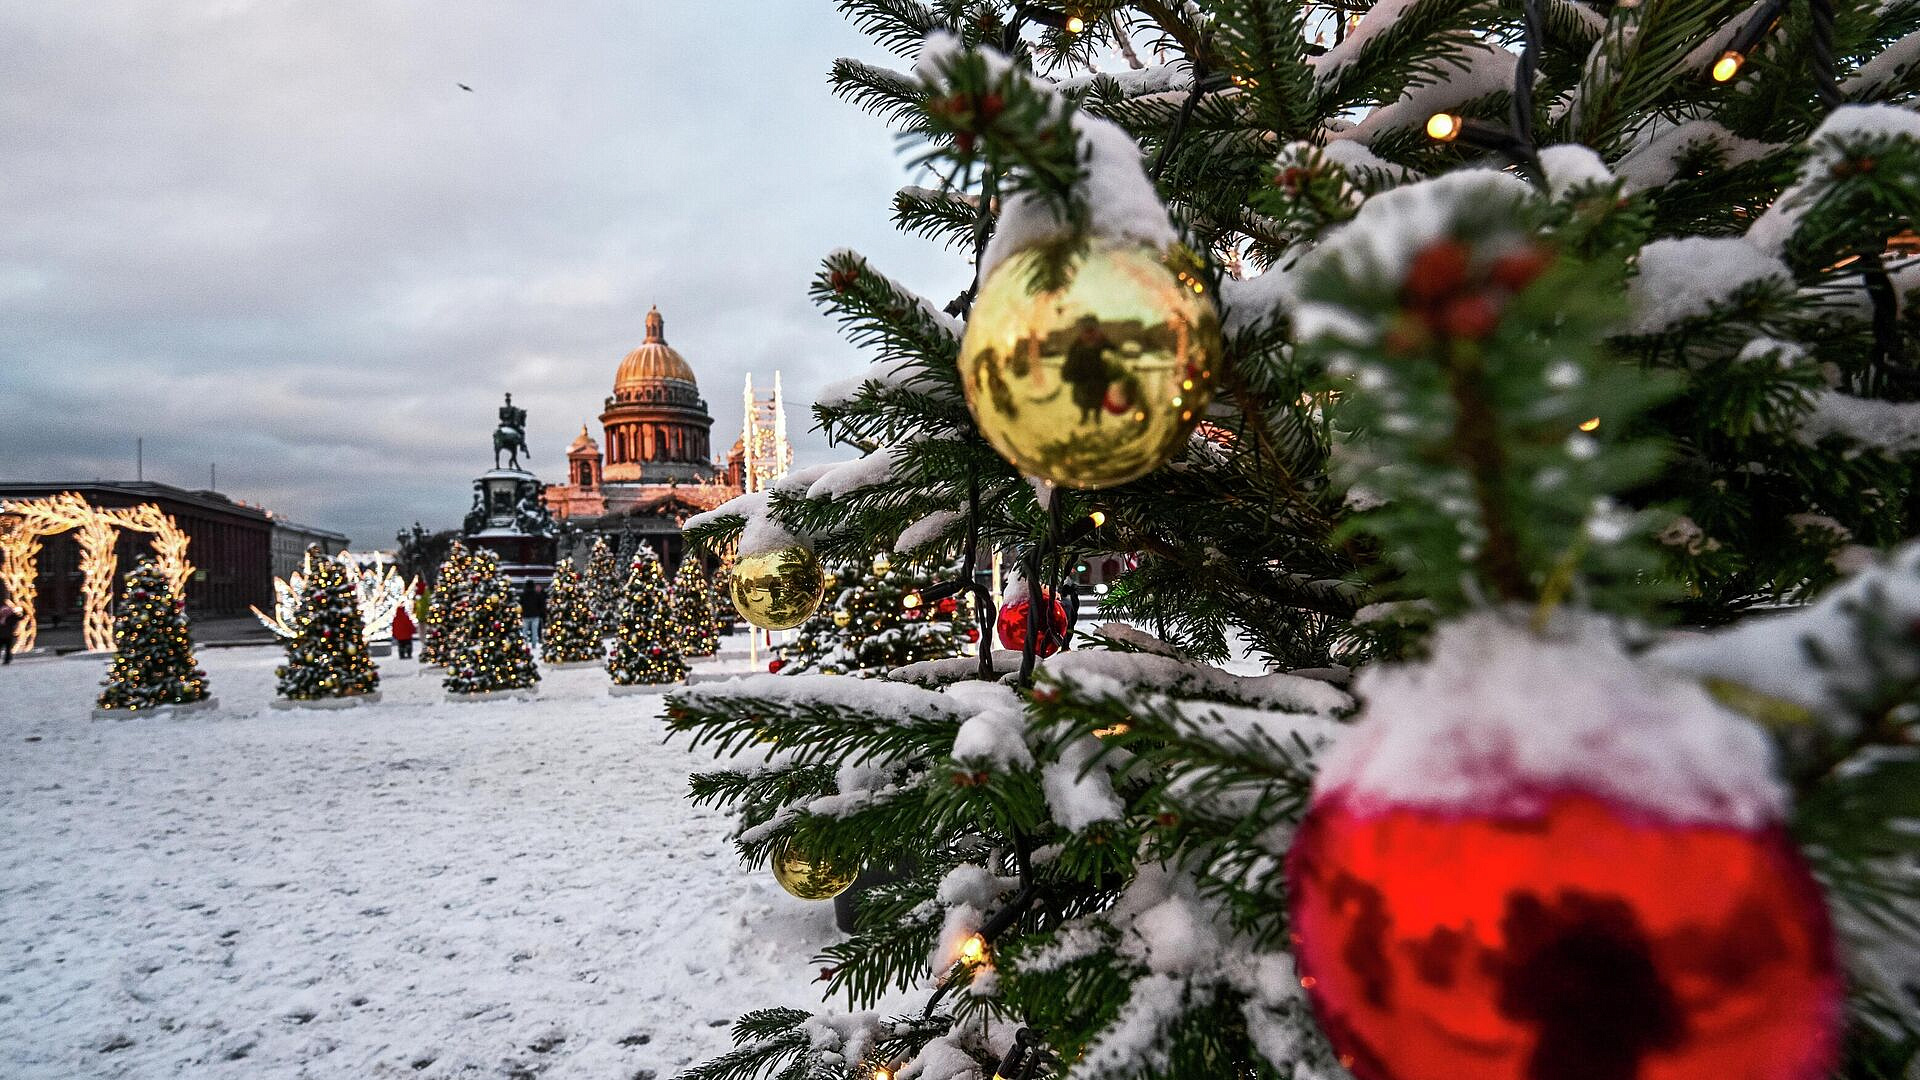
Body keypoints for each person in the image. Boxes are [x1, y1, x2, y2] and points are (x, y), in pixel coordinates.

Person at [0, 592, 20, 665]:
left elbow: (18, 618)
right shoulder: (10, 618)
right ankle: (7, 659)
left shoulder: (10, 618)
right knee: (8, 648)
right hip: (5, 635)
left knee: (8, 649)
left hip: (6, 635)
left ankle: (7, 659)